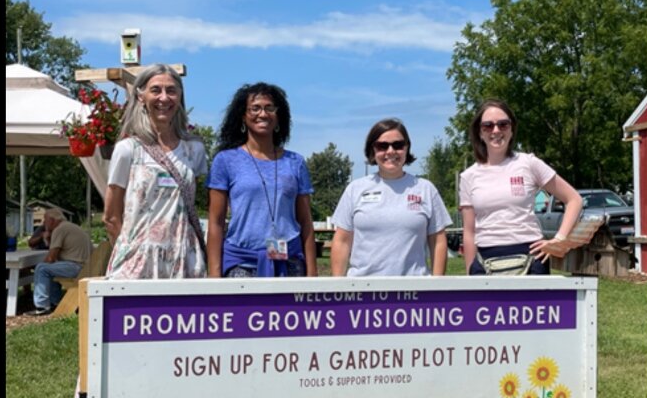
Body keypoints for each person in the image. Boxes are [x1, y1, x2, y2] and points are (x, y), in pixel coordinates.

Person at [103, 63, 208, 279]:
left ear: (180, 96)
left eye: (171, 90)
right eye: (155, 90)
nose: (164, 98)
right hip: (137, 259)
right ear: (140, 96)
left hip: (184, 257)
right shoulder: (128, 150)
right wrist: (129, 251)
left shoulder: (193, 150)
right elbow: (111, 216)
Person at [459, 99, 582, 275]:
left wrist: (559, 239)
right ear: (480, 132)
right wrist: (471, 274)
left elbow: (574, 200)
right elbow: (469, 232)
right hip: (485, 262)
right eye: (488, 126)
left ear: (512, 129)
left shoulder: (529, 163)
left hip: (531, 259)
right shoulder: (468, 177)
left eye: (503, 125)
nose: (496, 131)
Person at [206, 82, 317, 278]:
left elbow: (306, 222)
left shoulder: (295, 163)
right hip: (242, 264)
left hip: (289, 263)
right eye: (255, 108)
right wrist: (214, 277)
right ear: (243, 115)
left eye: (269, 108)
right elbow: (215, 222)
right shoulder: (225, 161)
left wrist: (312, 274)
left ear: (278, 115)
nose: (263, 114)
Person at [331, 118, 451, 276]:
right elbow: (342, 241)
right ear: (372, 150)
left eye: (398, 145)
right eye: (382, 146)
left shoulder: (426, 189)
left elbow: (438, 241)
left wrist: (437, 286)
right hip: (363, 290)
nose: (390, 151)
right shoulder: (355, 189)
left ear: (407, 148)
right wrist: (339, 288)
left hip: (415, 292)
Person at [25, 208, 91, 316]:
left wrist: (37, 267)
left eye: (45, 219)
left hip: (76, 267)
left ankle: (41, 306)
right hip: (85, 266)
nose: (43, 222)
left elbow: (51, 258)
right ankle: (55, 302)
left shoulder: (59, 229)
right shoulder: (71, 227)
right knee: (51, 268)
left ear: (52, 220)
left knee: (42, 268)